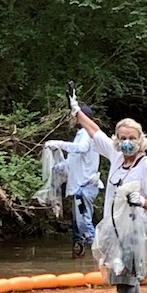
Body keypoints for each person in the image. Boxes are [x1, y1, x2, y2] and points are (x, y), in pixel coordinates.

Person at [67, 89, 147, 293]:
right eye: (122, 138)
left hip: (132, 235)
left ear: (140, 139)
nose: (127, 142)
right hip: (112, 232)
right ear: (117, 140)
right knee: (131, 286)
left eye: (131, 138)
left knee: (124, 286)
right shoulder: (116, 156)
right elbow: (94, 131)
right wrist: (76, 110)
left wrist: (141, 201)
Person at [45, 104, 104, 259]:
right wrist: (56, 167)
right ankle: (81, 253)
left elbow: (81, 148)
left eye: (73, 116)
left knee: (83, 222)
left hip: (85, 187)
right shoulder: (80, 134)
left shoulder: (87, 134)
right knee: (78, 223)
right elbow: (72, 162)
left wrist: (60, 144)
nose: (71, 119)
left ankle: (102, 255)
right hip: (80, 188)